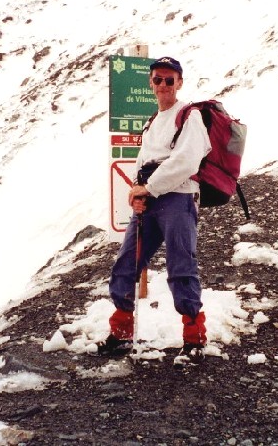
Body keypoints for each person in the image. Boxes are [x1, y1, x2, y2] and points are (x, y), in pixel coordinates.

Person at [96, 56, 212, 366]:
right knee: (126, 262)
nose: (163, 85)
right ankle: (121, 333)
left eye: (169, 80)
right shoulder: (151, 122)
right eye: (158, 79)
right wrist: (137, 190)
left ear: (179, 83)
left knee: (181, 267)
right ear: (151, 83)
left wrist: (148, 188)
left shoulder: (190, 116)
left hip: (179, 199)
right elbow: (142, 162)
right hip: (150, 201)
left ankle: (194, 339)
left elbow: (187, 161)